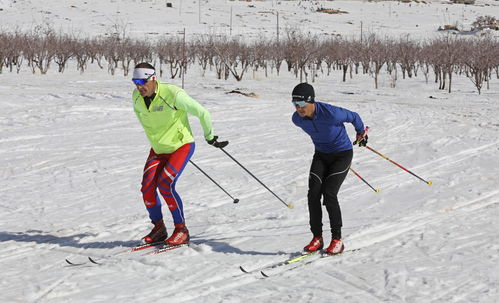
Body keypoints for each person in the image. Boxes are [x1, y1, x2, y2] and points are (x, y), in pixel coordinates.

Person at [131, 62, 227, 246]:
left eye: (142, 81)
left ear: (153, 79)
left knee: (165, 184)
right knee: (147, 189)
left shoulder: (173, 94)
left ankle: (181, 229)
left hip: (181, 147)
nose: (139, 86)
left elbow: (202, 113)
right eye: (135, 81)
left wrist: (210, 136)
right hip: (159, 150)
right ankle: (159, 228)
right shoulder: (136, 97)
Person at [291, 83, 367, 255]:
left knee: (329, 193)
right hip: (321, 155)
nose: (298, 109)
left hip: (342, 155)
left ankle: (337, 239)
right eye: (295, 105)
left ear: (311, 102)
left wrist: (361, 133)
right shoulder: (297, 119)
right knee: (313, 193)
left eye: (301, 104)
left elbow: (354, 116)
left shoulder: (331, 113)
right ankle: (317, 237)